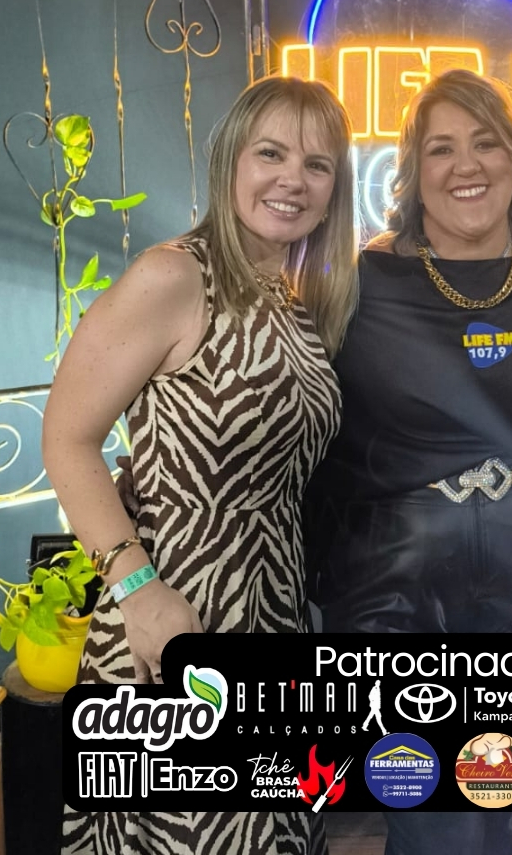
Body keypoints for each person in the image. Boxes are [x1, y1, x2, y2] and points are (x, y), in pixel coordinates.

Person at [43, 76, 358, 855]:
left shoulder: (291, 300)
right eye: (272, 154)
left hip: (272, 612)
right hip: (177, 616)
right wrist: (138, 592)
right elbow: (68, 439)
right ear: (230, 162)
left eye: (317, 164)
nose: (293, 179)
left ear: (334, 191)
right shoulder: (176, 276)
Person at [305, 68, 512, 855]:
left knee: (504, 796)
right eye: (440, 148)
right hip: (396, 588)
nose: (465, 165)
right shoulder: (359, 285)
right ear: (414, 172)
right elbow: (316, 443)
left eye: (485, 143)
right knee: (426, 811)